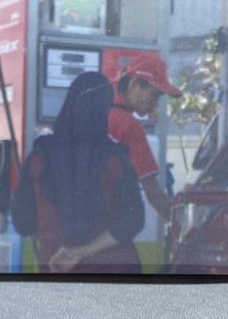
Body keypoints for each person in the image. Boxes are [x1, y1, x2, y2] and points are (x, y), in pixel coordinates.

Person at [11, 72, 145, 273]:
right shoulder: (116, 159)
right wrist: (81, 252)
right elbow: (133, 221)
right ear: (104, 109)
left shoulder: (38, 158)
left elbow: (23, 224)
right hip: (114, 276)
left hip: (56, 270)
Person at [109, 52, 181, 224]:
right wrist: (182, 227)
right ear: (134, 84)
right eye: (154, 95)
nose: (155, 104)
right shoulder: (129, 126)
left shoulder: (91, 104)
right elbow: (154, 193)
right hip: (98, 228)